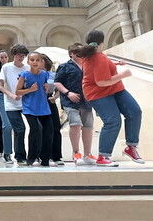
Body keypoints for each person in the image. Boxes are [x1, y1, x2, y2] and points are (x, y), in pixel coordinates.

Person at [76, 30, 144, 167]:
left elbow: (102, 65)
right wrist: (123, 74)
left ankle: (131, 147)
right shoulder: (97, 57)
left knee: (135, 111)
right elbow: (102, 81)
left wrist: (116, 64)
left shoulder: (96, 55)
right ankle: (103, 156)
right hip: (98, 93)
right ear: (102, 42)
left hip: (114, 89)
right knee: (113, 121)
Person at [54, 43, 96, 165]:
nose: (79, 53)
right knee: (76, 124)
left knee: (88, 127)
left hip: (86, 100)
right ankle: (76, 152)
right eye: (76, 51)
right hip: (70, 101)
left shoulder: (87, 66)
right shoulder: (64, 66)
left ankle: (88, 154)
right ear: (71, 53)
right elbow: (57, 82)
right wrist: (68, 93)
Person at [16, 52, 53, 167]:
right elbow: (17, 91)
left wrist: (47, 88)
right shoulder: (24, 75)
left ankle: (45, 158)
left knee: (49, 131)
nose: (35, 62)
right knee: (35, 130)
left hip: (43, 107)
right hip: (29, 107)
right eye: (32, 60)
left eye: (37, 60)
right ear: (28, 62)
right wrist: (29, 90)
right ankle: (31, 157)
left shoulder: (45, 75)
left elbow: (49, 88)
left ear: (41, 62)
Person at [0, 44, 29, 165]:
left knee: (36, 127)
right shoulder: (6, 67)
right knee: (19, 128)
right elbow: (0, 86)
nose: (21, 58)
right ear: (14, 55)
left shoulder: (27, 67)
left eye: (23, 56)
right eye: (19, 55)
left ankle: (33, 154)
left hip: (26, 103)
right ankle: (19, 155)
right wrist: (11, 95)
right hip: (10, 103)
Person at [41, 53, 64, 166]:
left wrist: (54, 97)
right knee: (44, 129)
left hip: (49, 101)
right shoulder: (33, 74)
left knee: (56, 128)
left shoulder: (53, 75)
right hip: (38, 102)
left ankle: (57, 156)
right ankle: (46, 155)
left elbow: (59, 88)